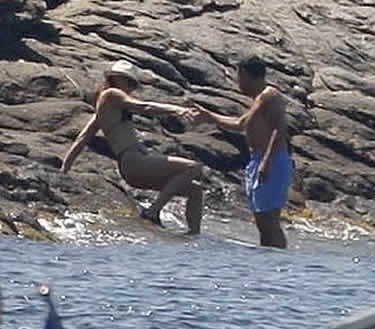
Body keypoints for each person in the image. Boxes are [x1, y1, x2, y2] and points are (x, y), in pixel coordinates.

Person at [61, 59, 204, 234]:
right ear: (116, 79)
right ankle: (153, 211)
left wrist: (63, 172)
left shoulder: (104, 109)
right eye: (128, 82)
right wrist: (177, 109)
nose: (130, 87)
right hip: (134, 163)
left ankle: (193, 236)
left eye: (132, 84)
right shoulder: (111, 94)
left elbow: (82, 139)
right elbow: (145, 106)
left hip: (133, 169)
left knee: (195, 190)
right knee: (194, 167)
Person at [193, 55, 294, 248]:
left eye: (238, 76)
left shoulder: (270, 96)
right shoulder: (259, 99)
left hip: (272, 160)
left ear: (245, 74)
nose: (238, 82)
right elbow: (240, 124)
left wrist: (267, 161)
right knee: (262, 220)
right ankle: (267, 260)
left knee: (269, 220)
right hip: (259, 159)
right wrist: (209, 117)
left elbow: (279, 130)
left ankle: (278, 265)